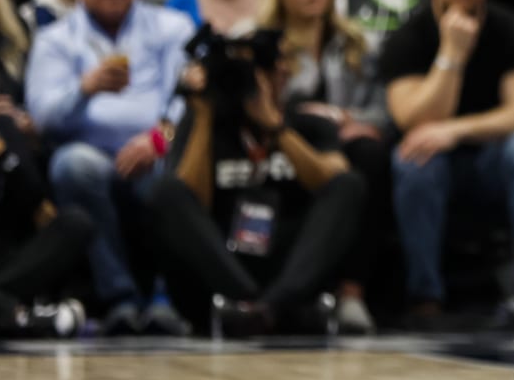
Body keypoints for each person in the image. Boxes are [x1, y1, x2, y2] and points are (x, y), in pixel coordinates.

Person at [381, 0, 514, 330]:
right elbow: (414, 119)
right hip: (435, 161)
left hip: (490, 158)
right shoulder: (407, 38)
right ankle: (425, 296)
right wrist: (452, 54)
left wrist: (455, 131)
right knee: (413, 162)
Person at [25, 0, 195, 334]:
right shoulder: (55, 39)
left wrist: (158, 139)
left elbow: (188, 97)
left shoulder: (173, 26)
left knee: (173, 171)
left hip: (159, 148)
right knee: (72, 165)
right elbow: (43, 116)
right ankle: (120, 297)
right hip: (91, 154)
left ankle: (164, 296)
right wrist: (85, 88)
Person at [148, 27, 363, 336]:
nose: (251, 82)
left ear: (283, 74)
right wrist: (204, 116)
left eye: (263, 71)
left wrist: (276, 127)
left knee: (348, 185)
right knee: (165, 191)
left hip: (287, 268)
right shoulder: (202, 125)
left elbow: (332, 180)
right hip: (222, 270)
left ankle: (270, 307)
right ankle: (251, 303)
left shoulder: (308, 125)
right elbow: (190, 201)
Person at [263, 0, 390, 335]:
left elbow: (386, 111)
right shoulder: (264, 45)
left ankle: (352, 293)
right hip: (284, 150)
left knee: (369, 154)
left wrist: (344, 117)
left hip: (345, 149)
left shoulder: (360, 43)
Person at [0, 99, 90, 338]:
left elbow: (34, 195)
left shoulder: (1, 128)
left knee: (76, 223)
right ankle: (15, 316)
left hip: (3, 263)